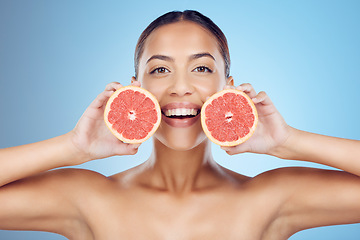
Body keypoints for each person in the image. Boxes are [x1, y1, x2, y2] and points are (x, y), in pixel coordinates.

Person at [0, 10, 359, 240]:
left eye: (202, 68)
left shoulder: (269, 200)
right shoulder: (89, 199)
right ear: (134, 90)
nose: (180, 86)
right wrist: (72, 148)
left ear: (229, 89)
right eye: (159, 69)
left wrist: (288, 142)